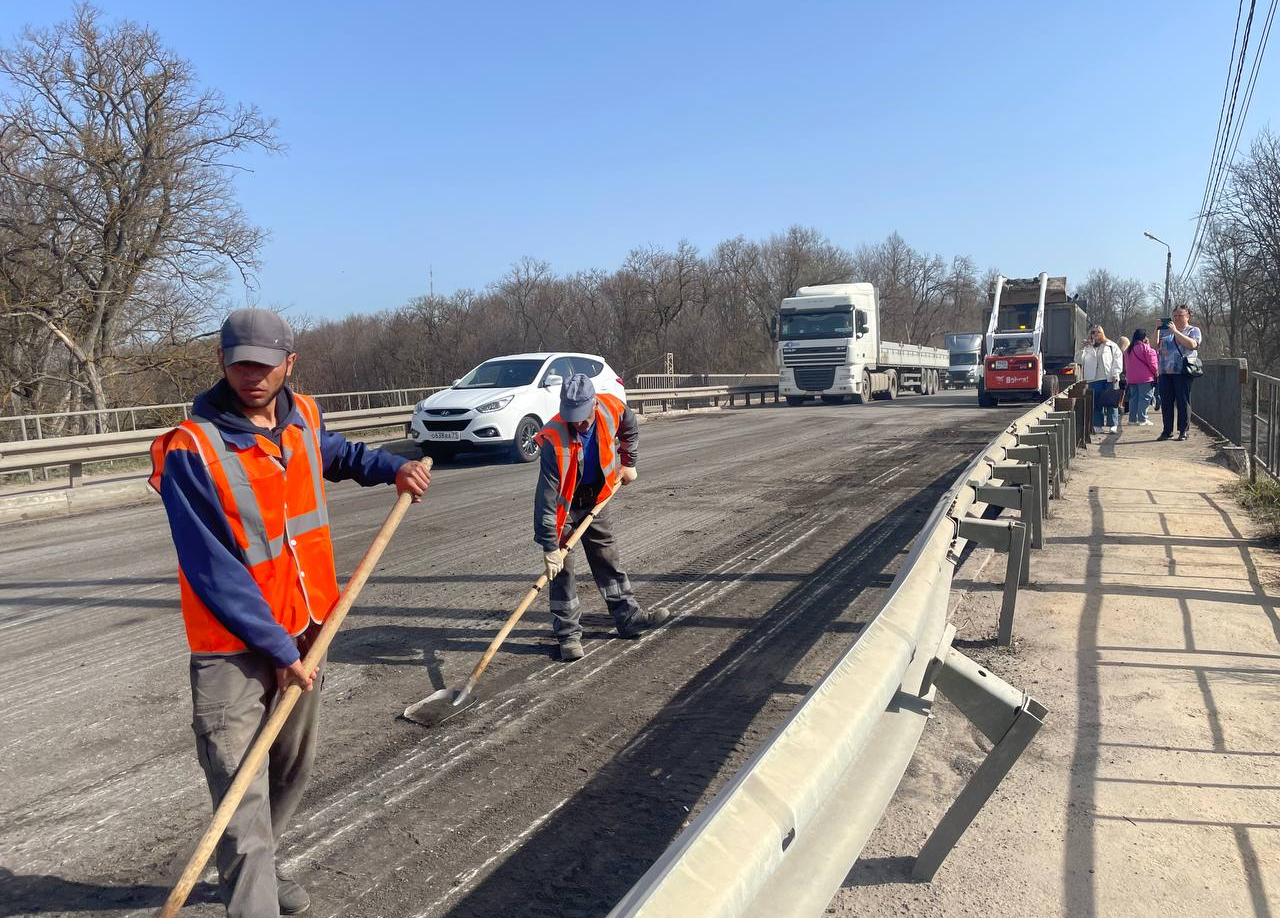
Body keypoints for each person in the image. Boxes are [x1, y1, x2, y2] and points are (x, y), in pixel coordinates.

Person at [148, 310, 431, 917]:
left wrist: (393, 468)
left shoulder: (301, 419)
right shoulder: (191, 450)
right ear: (220, 362)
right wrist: (277, 651)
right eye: (239, 361)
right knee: (240, 790)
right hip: (234, 650)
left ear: (289, 364)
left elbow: (338, 453)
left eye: (264, 363)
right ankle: (254, 897)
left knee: (288, 773)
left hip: (309, 630)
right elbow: (215, 572)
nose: (251, 375)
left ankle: (262, 871)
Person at [534, 373, 669, 661]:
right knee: (563, 571)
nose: (578, 424)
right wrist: (549, 548)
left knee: (608, 559)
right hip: (565, 508)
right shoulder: (554, 439)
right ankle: (568, 635)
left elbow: (629, 426)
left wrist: (629, 461)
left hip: (597, 498)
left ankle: (627, 618)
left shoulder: (611, 409)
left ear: (594, 404)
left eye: (582, 417)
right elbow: (545, 499)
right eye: (572, 417)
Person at [1156, 305, 1203, 441]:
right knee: (1166, 401)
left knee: (1182, 401)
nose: (1177, 318)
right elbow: (1153, 345)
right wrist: (1157, 329)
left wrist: (1176, 331)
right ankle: (1167, 431)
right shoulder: (1165, 331)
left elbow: (1192, 345)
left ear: (1187, 316)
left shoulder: (1193, 330)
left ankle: (1183, 430)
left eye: (1180, 315)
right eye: (1175, 316)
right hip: (1165, 370)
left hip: (1182, 370)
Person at [1078, 325, 1123, 434]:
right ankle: (1097, 425)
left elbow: (1117, 359)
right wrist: (1081, 348)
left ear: (1102, 333)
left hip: (1109, 378)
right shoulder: (1087, 347)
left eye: (1098, 332)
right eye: (1093, 332)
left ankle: (1113, 424)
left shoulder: (1111, 345)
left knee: (1111, 402)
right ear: (1091, 334)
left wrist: (1116, 373)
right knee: (1096, 402)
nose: (1096, 334)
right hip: (1093, 379)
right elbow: (1079, 360)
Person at [1124, 329, 1159, 426]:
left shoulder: (1128, 350)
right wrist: (1156, 374)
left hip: (1131, 378)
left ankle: (1132, 419)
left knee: (1133, 398)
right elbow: (1153, 364)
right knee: (1145, 398)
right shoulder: (1146, 348)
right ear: (1144, 337)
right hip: (1145, 378)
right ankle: (1142, 419)